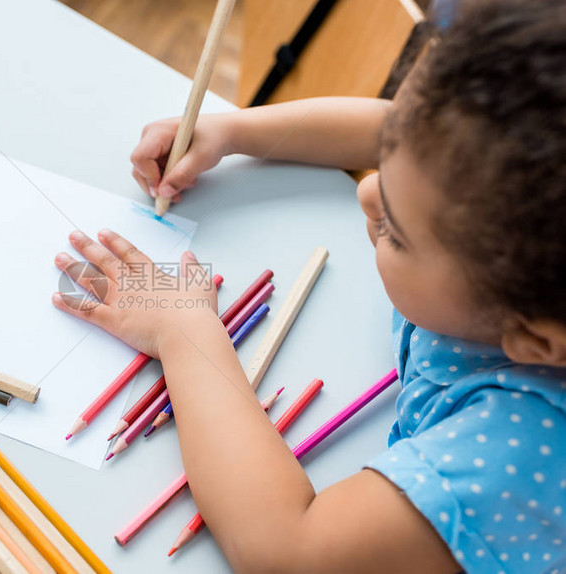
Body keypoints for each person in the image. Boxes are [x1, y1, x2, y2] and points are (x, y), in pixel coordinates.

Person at [52, 0, 565, 571]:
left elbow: (287, 551)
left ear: (535, 341)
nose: (366, 193)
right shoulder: (498, 187)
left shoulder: (513, 460)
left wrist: (186, 333)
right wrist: (235, 130)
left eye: (396, 228)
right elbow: (391, 127)